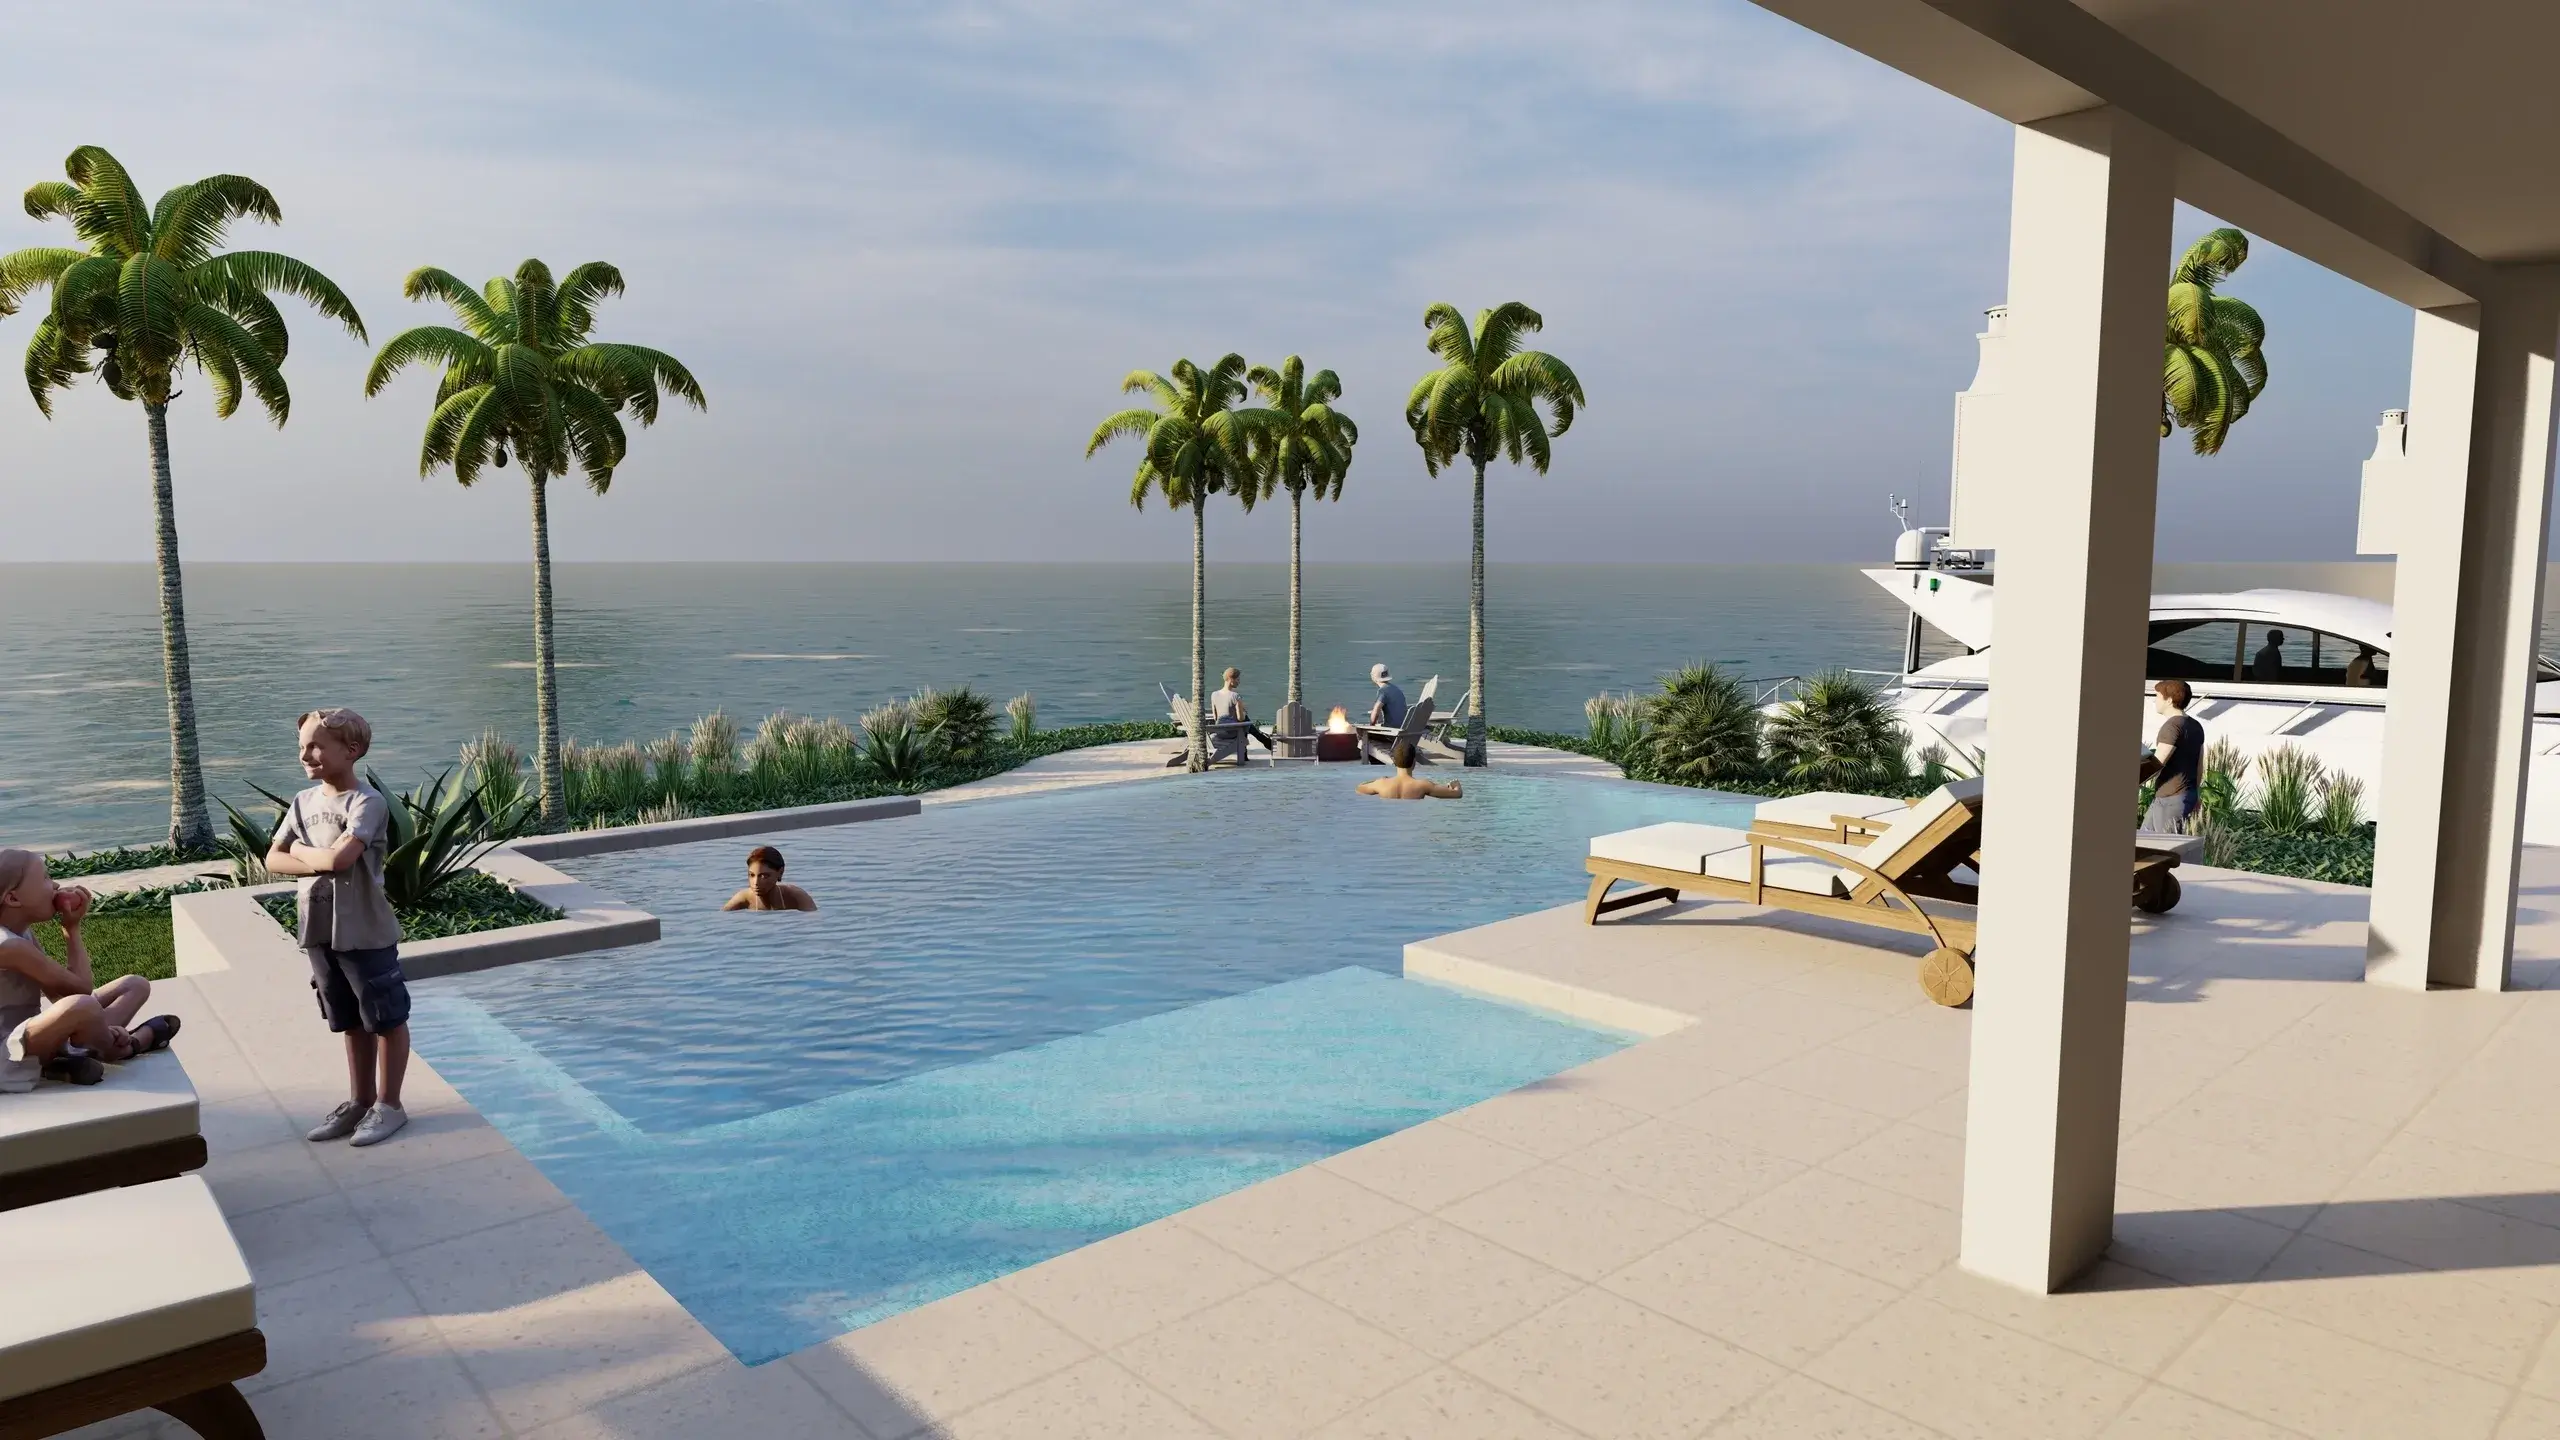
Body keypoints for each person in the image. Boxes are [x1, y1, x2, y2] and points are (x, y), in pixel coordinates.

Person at [265, 708, 411, 1148]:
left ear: (351, 751)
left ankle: (390, 1105)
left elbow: (338, 860)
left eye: (315, 746)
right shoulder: (302, 802)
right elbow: (271, 859)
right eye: (302, 748)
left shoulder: (367, 803)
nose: (306, 755)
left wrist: (307, 856)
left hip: (364, 929)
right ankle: (360, 1101)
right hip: (319, 928)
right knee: (347, 1019)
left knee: (385, 1017)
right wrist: (317, 858)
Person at [0, 848, 179, 1091]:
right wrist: (72, 929)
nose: (55, 884)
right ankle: (127, 1046)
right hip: (8, 1053)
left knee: (134, 985)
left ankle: (67, 1059)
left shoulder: (20, 933)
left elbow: (60, 993)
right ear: (13, 898)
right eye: (44, 878)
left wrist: (88, 1021)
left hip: (30, 1034)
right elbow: (81, 991)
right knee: (83, 1006)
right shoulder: (8, 946)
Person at [2138, 679, 2206, 833]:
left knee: (2164, 848)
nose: (2155, 700)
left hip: (2170, 799)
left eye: (2157, 696)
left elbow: (2157, 763)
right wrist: (2196, 794)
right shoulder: (2195, 725)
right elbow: (2199, 764)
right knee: (2144, 841)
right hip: (2181, 796)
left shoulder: (2172, 726)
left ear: (2169, 700)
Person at [1357, 737, 1464, 800]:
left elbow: (1359, 788)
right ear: (1414, 762)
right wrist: (1456, 785)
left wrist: (1378, 780)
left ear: (1394, 762)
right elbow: (1457, 794)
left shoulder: (1381, 783)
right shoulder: (1423, 785)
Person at [1206, 666, 1275, 762]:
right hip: (1232, 732)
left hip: (1220, 731)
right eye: (1238, 679)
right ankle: (1265, 743)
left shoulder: (1214, 694)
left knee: (1245, 723)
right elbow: (1241, 718)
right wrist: (1242, 711)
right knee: (1245, 722)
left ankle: (1262, 742)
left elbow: (1215, 716)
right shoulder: (1235, 696)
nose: (1239, 682)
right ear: (1231, 679)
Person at [725, 846, 818, 911]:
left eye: (764, 876)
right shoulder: (744, 898)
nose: (756, 882)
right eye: (752, 875)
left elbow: (814, 924)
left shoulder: (796, 896)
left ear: (780, 872)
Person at [1367, 664, 1408, 729]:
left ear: (1373, 677)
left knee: (1363, 733)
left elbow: (1376, 710)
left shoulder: (1382, 691)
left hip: (1392, 731)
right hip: (1403, 728)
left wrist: (1371, 726)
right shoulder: (1396, 689)